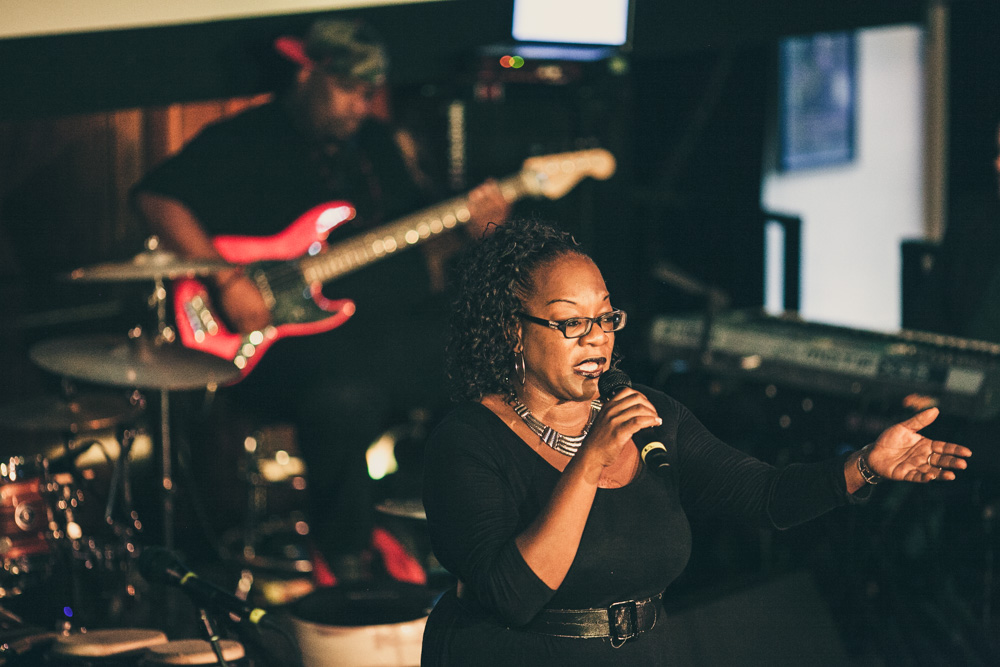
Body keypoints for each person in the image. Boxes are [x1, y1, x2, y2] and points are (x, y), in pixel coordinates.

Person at [420, 217, 971, 665]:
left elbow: (765, 495)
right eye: (570, 322)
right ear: (514, 331)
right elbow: (514, 596)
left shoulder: (653, 415)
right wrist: (588, 464)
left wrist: (864, 466)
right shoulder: (468, 440)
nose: (596, 337)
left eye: (606, 317)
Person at [131, 18, 509, 583]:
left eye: (369, 93)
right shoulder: (245, 138)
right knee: (343, 396)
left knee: (492, 351)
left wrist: (473, 232)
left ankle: (450, 527)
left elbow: (419, 246)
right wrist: (226, 280)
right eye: (350, 91)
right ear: (308, 74)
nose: (362, 105)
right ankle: (346, 563)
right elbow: (156, 198)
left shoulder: (375, 147)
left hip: (381, 331)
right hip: (271, 347)